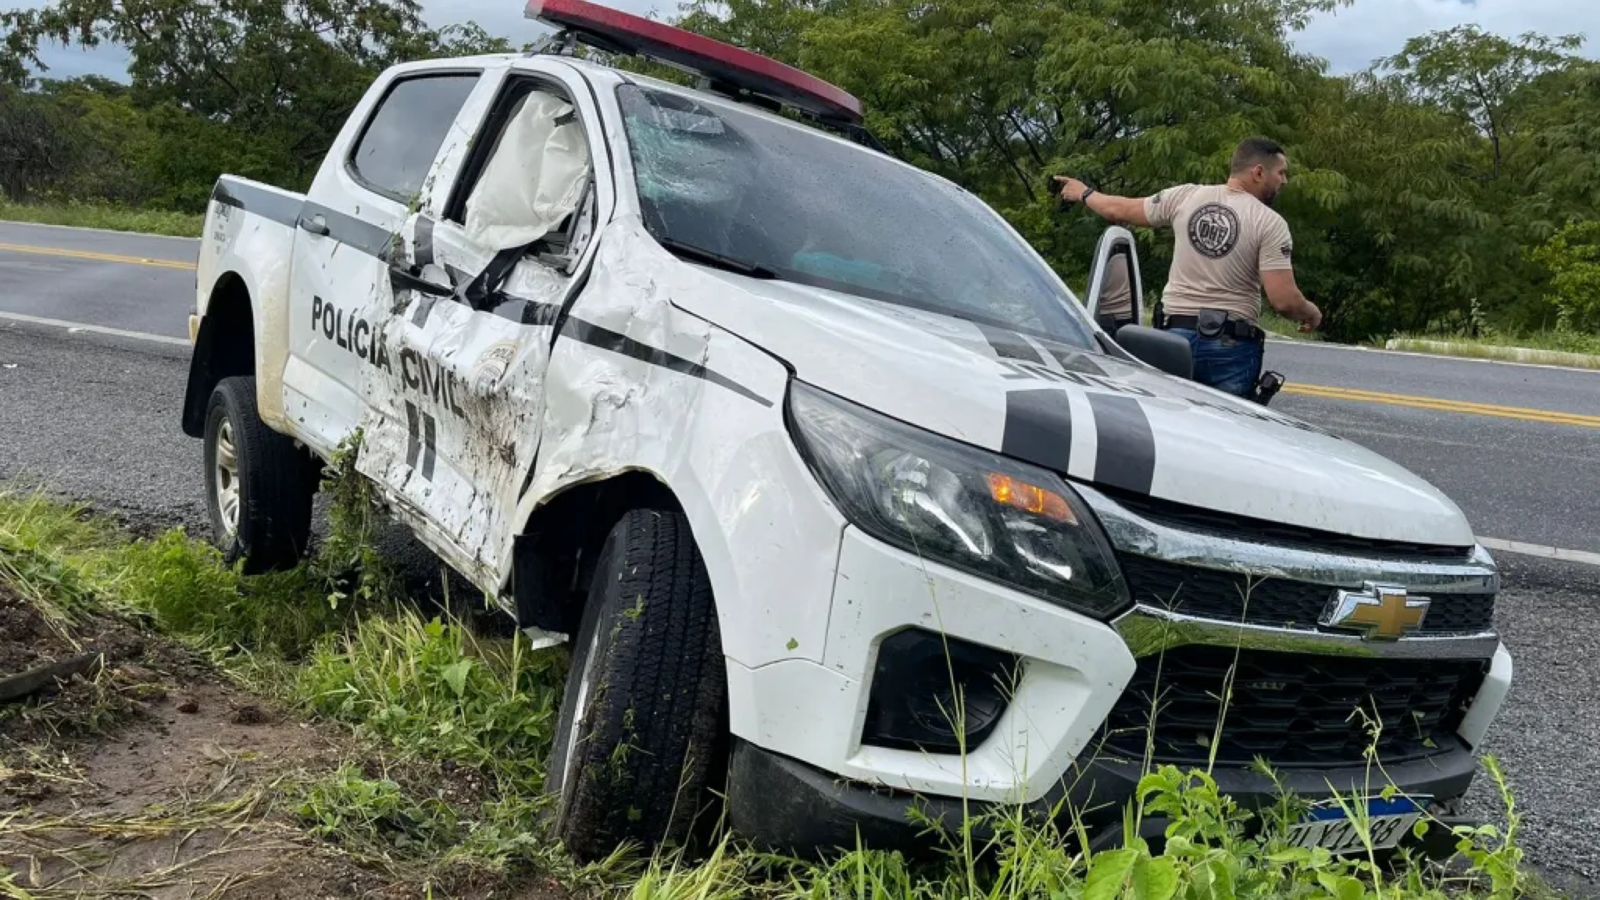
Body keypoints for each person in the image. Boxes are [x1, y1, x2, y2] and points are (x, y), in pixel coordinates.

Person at [1054, 138, 1322, 398]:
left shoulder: (1185, 196)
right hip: (1229, 347)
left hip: (1174, 339)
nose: (1284, 181)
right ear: (1259, 172)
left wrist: (1084, 193)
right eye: (1281, 173)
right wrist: (1310, 313)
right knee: (1226, 434)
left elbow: (1119, 210)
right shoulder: (1270, 223)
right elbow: (1284, 301)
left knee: (1174, 430)